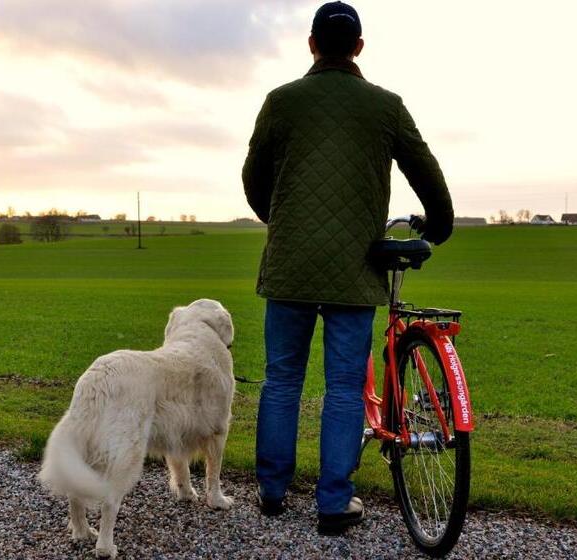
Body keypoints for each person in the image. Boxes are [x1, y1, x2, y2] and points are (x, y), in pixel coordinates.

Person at [242, 1, 454, 536]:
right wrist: (438, 225)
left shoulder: (281, 101)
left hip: (290, 266)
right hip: (354, 270)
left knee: (282, 379)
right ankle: (334, 503)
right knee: (341, 388)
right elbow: (425, 170)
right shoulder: (385, 106)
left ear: (311, 44)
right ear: (359, 48)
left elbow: (253, 177)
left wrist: (282, 220)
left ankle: (271, 492)